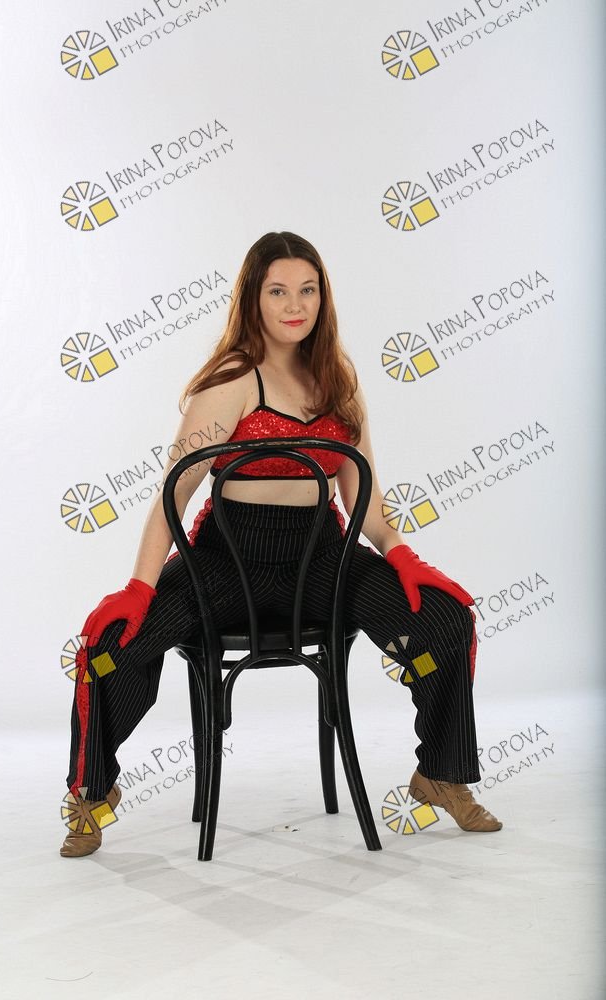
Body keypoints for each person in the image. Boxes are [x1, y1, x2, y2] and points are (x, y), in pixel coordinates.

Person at [60, 231, 502, 858]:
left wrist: (403, 555)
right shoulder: (232, 380)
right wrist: (138, 587)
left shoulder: (339, 380)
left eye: (308, 290)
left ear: (323, 296)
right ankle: (90, 792)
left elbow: (365, 500)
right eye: (278, 291)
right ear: (254, 299)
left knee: (446, 620)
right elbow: (174, 494)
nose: (295, 305)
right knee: (111, 647)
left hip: (321, 560)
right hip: (225, 562)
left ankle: (441, 773)